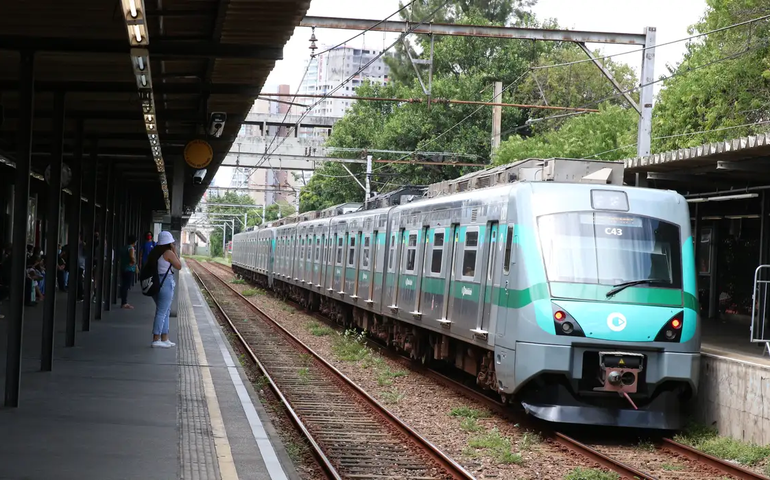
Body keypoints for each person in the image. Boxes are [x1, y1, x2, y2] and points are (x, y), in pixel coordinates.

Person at [145, 231, 181, 348]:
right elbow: (179, 266)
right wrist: (174, 251)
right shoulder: (168, 253)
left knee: (165, 310)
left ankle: (164, 338)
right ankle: (156, 339)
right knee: (162, 311)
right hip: (165, 283)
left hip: (155, 283)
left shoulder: (154, 252)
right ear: (169, 242)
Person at [120, 234, 137, 309]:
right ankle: (124, 303)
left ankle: (123, 301)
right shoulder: (131, 248)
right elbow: (132, 257)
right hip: (129, 269)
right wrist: (133, 262)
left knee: (124, 284)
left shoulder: (124, 248)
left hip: (123, 267)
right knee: (126, 285)